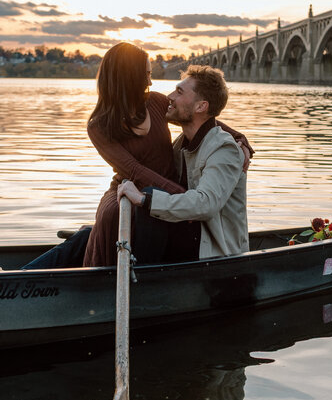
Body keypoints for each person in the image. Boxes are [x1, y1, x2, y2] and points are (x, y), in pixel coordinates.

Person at [22, 44, 252, 269]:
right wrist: (179, 198)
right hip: (133, 189)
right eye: (146, 74)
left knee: (97, 233)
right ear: (129, 77)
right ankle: (27, 275)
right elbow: (134, 170)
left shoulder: (156, 103)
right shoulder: (99, 126)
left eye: (178, 91)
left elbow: (203, 117)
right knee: (111, 221)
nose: (151, 82)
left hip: (159, 198)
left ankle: (36, 268)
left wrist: (239, 138)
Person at [118, 64, 249, 263]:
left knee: (151, 195)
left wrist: (145, 200)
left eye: (179, 92)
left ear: (200, 106)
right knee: (90, 236)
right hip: (186, 238)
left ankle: (143, 283)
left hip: (212, 252)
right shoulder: (181, 145)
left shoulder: (224, 149)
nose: (169, 96)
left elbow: (206, 203)